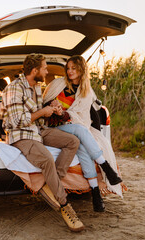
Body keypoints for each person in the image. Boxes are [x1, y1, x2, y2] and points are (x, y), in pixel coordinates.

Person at [1, 53, 84, 232]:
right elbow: (16, 121)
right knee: (46, 158)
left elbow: (38, 113)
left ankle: (51, 185)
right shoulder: (14, 88)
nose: (47, 72)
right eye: (45, 68)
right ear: (35, 70)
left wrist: (52, 107)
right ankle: (64, 205)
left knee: (73, 141)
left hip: (38, 130)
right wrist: (42, 112)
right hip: (21, 135)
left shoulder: (37, 87)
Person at [43, 55, 123, 212]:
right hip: (54, 128)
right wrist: (54, 107)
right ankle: (106, 167)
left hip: (71, 126)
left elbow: (81, 117)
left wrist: (63, 114)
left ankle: (95, 193)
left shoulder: (86, 91)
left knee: (81, 144)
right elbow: (43, 104)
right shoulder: (57, 84)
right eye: (68, 68)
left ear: (81, 70)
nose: (70, 71)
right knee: (80, 131)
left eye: (74, 68)